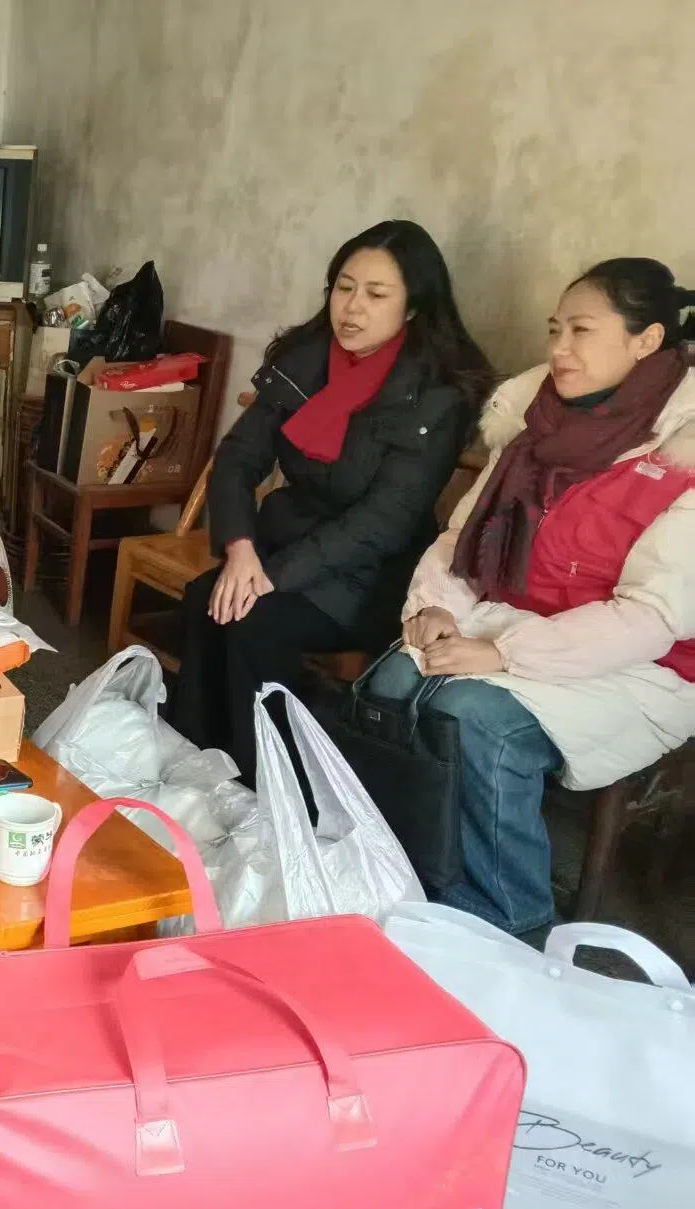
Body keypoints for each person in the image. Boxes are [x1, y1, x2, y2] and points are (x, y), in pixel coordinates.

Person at [378, 257, 695, 936]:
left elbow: (652, 619)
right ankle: (411, 885)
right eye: (555, 329)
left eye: (582, 330)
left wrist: (501, 652)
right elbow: (462, 540)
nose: (559, 348)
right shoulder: (536, 422)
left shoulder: (684, 451)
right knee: (392, 682)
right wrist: (436, 608)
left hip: (645, 665)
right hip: (512, 620)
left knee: (472, 718)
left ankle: (514, 922)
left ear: (646, 341)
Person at [169, 219, 494, 786]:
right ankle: (194, 759)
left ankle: (265, 785)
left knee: (252, 622)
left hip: (368, 573)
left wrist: (271, 578)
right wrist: (241, 550)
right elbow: (239, 457)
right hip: (284, 542)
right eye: (344, 287)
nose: (353, 307)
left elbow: (385, 522)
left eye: (376, 294)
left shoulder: (437, 394)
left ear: (413, 307)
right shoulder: (307, 358)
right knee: (206, 599)